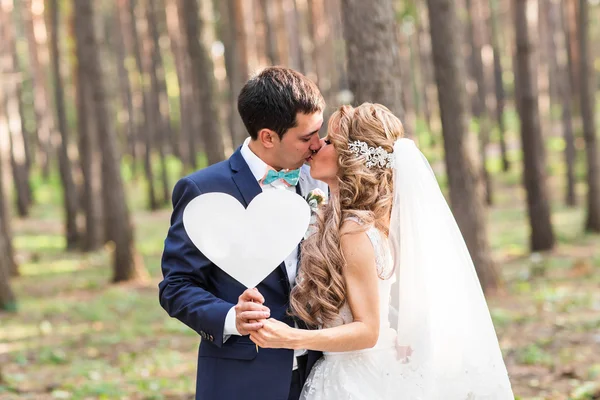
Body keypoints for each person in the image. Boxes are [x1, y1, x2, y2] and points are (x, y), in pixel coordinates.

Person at [249, 103, 515, 399]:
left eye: (329, 141)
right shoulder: (355, 219)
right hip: (359, 369)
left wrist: (292, 338)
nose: (317, 146)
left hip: (355, 381)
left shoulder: (355, 230)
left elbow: (368, 330)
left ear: (350, 157)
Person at [158, 67, 328, 400]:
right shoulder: (204, 191)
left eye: (318, 132)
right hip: (243, 379)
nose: (317, 145)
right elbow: (176, 287)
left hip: (320, 374)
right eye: (306, 137)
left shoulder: (319, 181)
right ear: (268, 136)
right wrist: (230, 318)